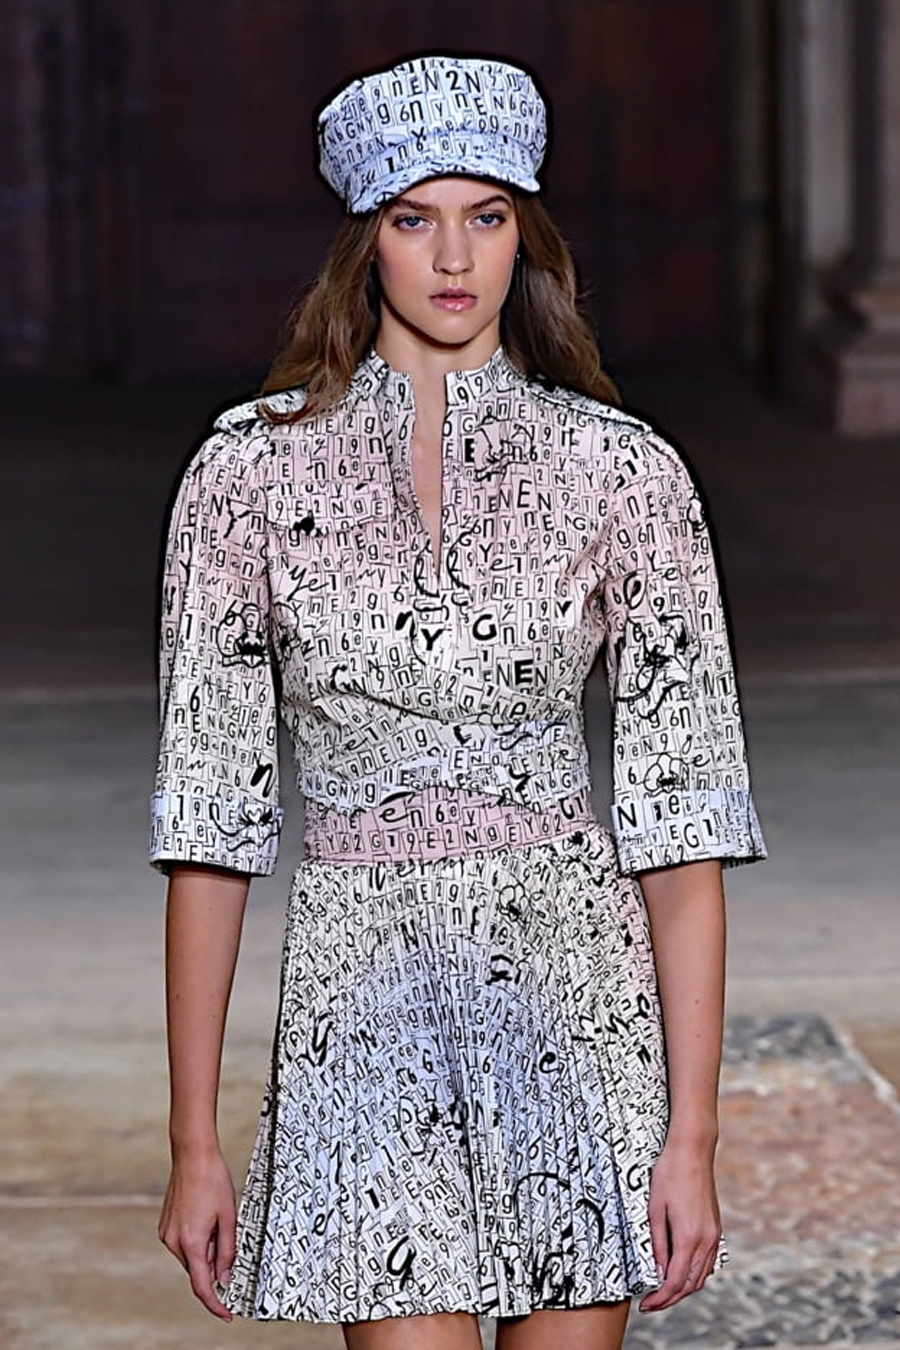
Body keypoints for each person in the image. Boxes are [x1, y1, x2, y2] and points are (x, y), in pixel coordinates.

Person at [151, 53, 766, 1350]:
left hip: (577, 997)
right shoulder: (246, 474)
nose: (452, 256)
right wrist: (194, 1141)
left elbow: (683, 822)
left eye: (485, 216)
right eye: (412, 218)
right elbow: (210, 822)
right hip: (360, 1001)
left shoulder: (622, 472)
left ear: (523, 235)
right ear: (363, 241)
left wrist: (692, 1135)